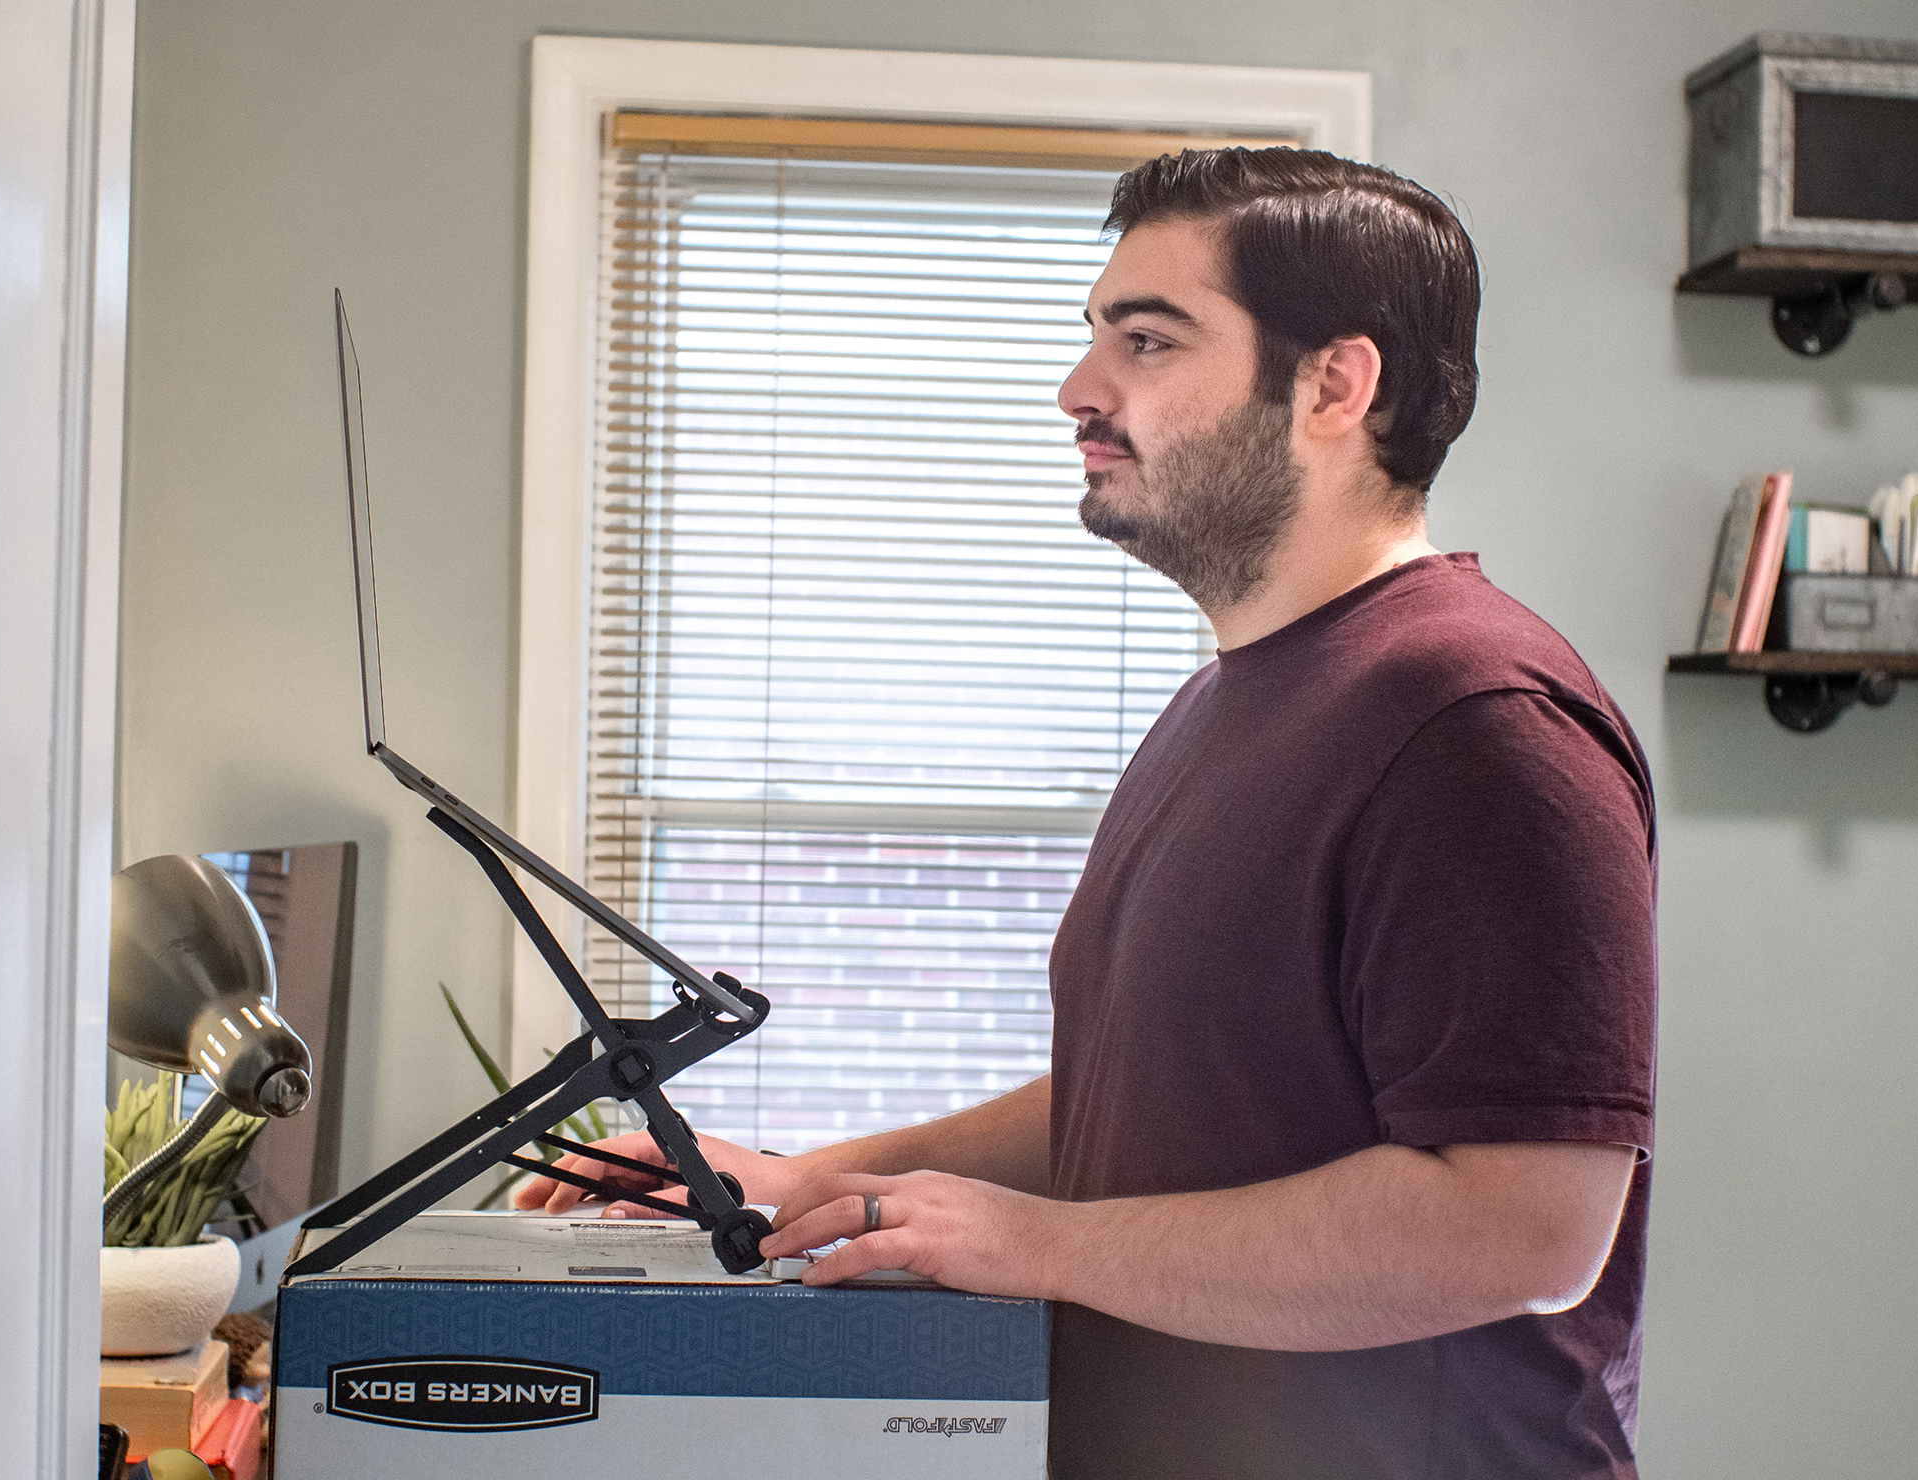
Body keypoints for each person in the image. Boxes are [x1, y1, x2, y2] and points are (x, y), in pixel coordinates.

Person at [520, 148, 1658, 1480]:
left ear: (1335, 385)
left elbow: (1520, 1229)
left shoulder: (1476, 716)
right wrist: (813, 1177)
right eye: (1095, 342)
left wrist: (1032, 1245)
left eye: (1151, 343)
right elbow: (1169, 1097)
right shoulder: (1233, 700)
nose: (1080, 393)